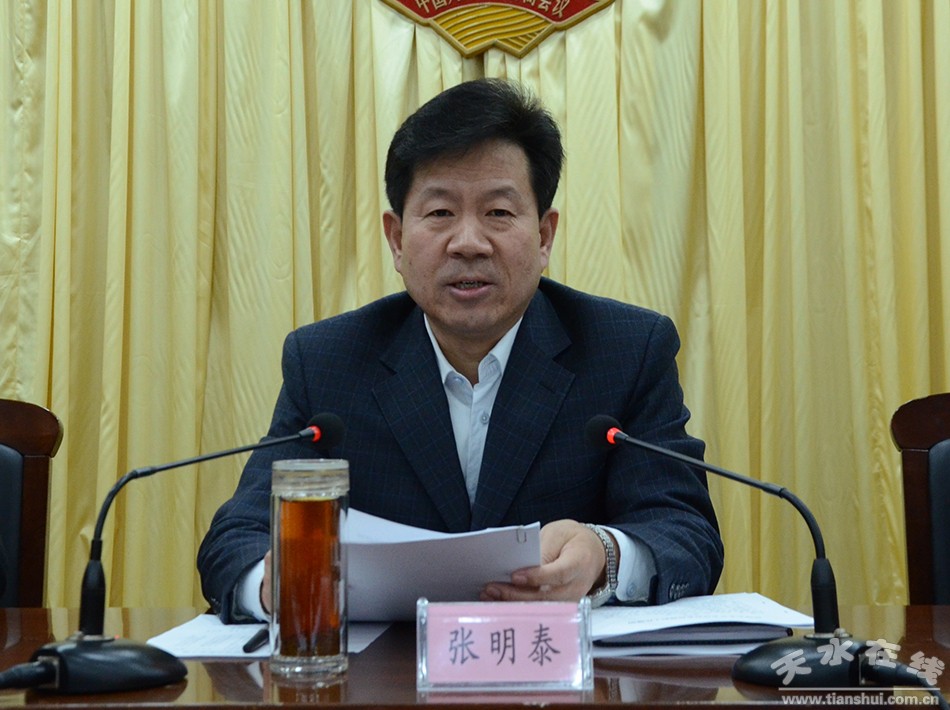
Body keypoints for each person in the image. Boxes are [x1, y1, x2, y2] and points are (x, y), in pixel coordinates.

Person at [197, 78, 723, 623]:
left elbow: (685, 533)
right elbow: (238, 537)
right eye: (440, 213)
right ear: (397, 240)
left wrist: (604, 554)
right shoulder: (328, 362)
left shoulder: (625, 351)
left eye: (498, 213)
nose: (468, 243)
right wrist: (279, 586)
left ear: (544, 236)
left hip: (561, 668)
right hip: (385, 671)